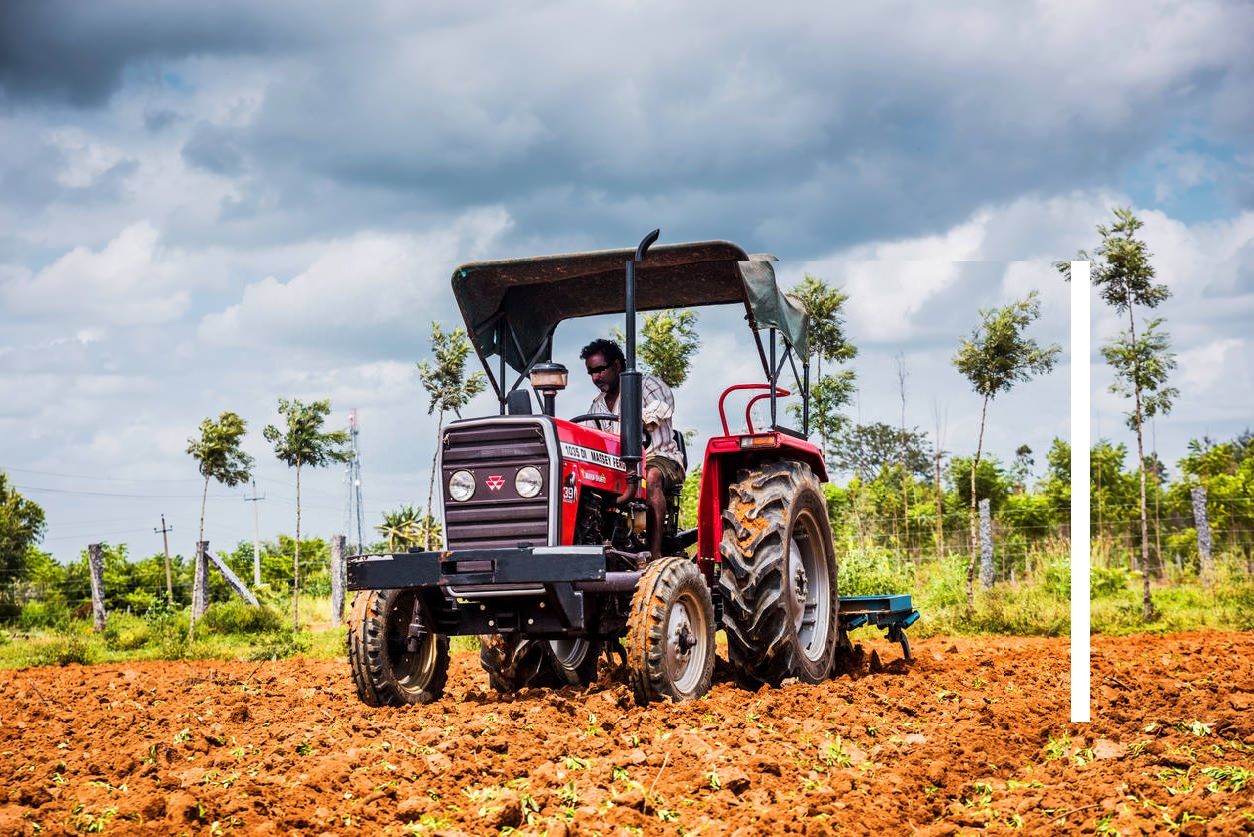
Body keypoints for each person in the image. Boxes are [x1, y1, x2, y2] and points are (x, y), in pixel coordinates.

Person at [579, 338, 685, 561]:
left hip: (659, 456)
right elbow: (589, 435)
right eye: (591, 372)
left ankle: (655, 554)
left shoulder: (647, 386)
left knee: (651, 476)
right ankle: (592, 545)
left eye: (600, 369)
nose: (595, 377)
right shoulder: (597, 404)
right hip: (617, 467)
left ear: (617, 366)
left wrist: (634, 420)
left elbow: (661, 408)